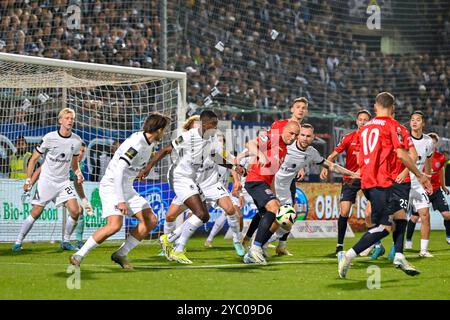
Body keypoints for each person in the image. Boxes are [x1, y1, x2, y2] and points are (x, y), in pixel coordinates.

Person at [337, 92, 432, 278]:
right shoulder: (393, 126)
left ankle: (398, 255)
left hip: (368, 181)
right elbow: (403, 154)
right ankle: (349, 255)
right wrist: (420, 175)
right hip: (381, 182)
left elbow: (359, 155)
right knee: (384, 227)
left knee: (401, 217)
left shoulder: (364, 128)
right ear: (393, 107)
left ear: (375, 107)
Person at [69, 112, 171, 269]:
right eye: (164, 129)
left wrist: (142, 171)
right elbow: (119, 171)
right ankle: (79, 254)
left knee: (151, 219)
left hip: (127, 187)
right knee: (114, 225)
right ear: (158, 129)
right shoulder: (136, 143)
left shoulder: (149, 143)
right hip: (112, 186)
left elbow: (131, 167)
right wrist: (121, 200)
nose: (164, 133)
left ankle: (120, 254)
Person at [153, 110, 239, 264]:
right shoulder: (188, 136)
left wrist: (234, 167)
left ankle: (171, 242)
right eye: (213, 125)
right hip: (181, 179)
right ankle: (176, 247)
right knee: (180, 215)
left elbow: (216, 157)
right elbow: (166, 149)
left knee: (203, 215)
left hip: (198, 183)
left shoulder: (212, 139)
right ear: (203, 124)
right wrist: (148, 168)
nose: (215, 128)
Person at [271, 124, 360, 252]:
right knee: (269, 216)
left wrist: (351, 173)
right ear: (297, 136)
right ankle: (254, 244)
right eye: (302, 135)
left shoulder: (312, 152)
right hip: (272, 184)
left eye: (308, 136)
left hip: (285, 189)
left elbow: (331, 166)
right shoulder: (286, 144)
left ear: (313, 137)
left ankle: (267, 244)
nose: (304, 138)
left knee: (288, 220)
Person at [12, 108, 84, 252]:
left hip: (63, 182)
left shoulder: (76, 141)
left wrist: (78, 173)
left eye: (72, 118)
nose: (70, 120)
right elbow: (33, 160)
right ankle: (18, 241)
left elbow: (74, 164)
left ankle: (65, 241)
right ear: (60, 121)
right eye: (67, 118)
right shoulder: (49, 138)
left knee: (76, 211)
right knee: (36, 211)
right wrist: (28, 181)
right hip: (47, 181)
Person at [243, 121, 301, 265]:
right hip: (255, 180)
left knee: (275, 216)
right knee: (274, 209)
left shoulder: (285, 150)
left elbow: (272, 174)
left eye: (296, 135)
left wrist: (274, 195)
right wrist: (260, 155)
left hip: (264, 183)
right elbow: (250, 144)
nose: (293, 137)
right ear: (284, 130)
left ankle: (258, 247)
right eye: (291, 133)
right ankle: (255, 249)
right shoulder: (273, 138)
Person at [320, 110, 371, 254]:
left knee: (371, 212)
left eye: (365, 120)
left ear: (369, 122)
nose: (362, 122)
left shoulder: (372, 140)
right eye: (360, 119)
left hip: (368, 178)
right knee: (344, 211)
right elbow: (333, 155)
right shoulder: (349, 138)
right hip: (350, 179)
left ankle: (374, 244)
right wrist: (326, 167)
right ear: (356, 121)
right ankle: (339, 246)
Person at [406, 132, 450, 246]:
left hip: (435, 190)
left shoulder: (440, 157)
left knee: (447, 215)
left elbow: (441, 170)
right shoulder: (418, 155)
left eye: (434, 142)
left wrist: (443, 185)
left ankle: (449, 236)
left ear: (435, 144)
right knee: (415, 218)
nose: (432, 143)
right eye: (430, 141)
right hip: (422, 189)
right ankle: (408, 240)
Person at [405, 111, 434, 257]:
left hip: (417, 184)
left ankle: (423, 250)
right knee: (394, 218)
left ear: (423, 124)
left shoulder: (428, 141)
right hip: (403, 183)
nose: (414, 122)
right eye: (412, 120)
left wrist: (427, 178)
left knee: (425, 215)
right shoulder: (404, 139)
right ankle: (383, 246)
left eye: (418, 120)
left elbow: (428, 159)